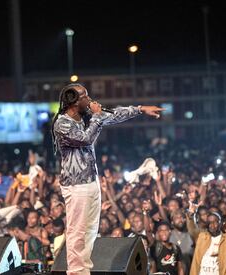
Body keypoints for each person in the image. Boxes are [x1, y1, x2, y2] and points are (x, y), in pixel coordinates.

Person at [52, 83, 163, 275]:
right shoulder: (62, 123)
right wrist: (96, 116)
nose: (89, 98)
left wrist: (140, 109)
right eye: (85, 96)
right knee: (77, 232)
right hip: (76, 186)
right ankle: (75, 272)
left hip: (91, 183)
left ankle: (83, 271)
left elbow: (114, 115)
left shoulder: (87, 116)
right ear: (73, 102)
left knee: (90, 232)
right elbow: (85, 139)